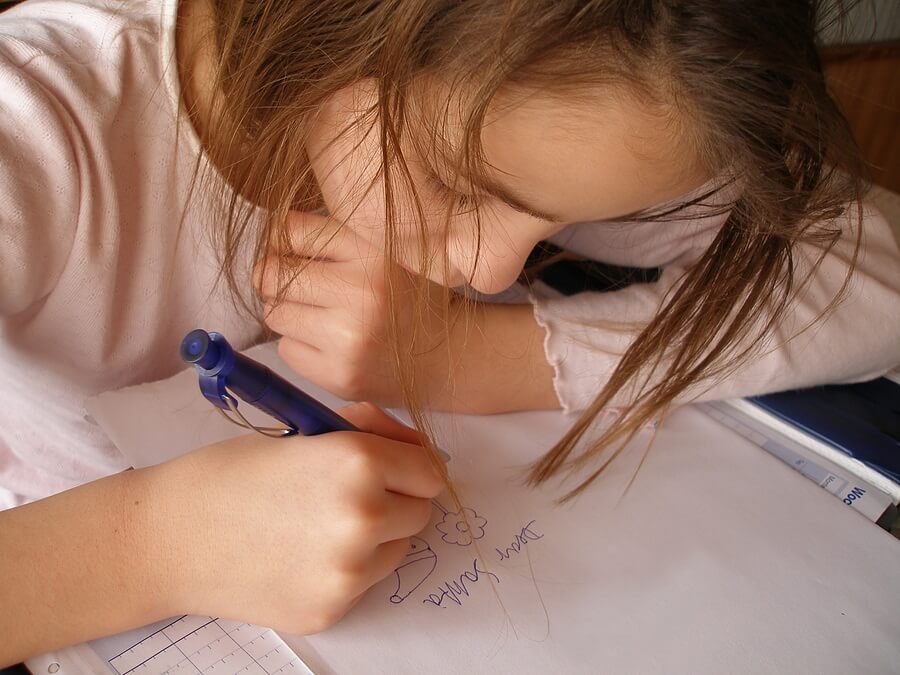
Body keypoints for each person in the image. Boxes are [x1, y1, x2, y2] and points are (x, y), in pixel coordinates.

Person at [1, 0, 898, 663]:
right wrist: (152, 544)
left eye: (546, 226)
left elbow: (882, 275)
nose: (496, 271)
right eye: (463, 187)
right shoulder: (41, 130)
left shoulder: (610, 85)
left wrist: (478, 359)